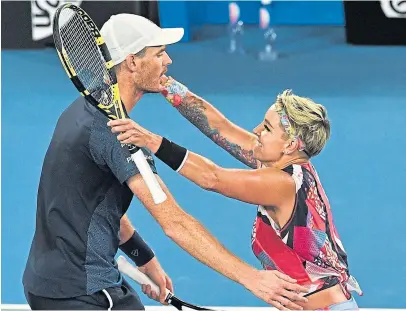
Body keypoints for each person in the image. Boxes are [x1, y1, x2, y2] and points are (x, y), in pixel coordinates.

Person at [22, 14, 308, 311]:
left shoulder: (80, 111)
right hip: (80, 292)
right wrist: (251, 278)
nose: (168, 60)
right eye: (159, 54)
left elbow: (96, 207)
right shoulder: (123, 139)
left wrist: (145, 259)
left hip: (52, 279)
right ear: (132, 62)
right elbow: (175, 223)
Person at [108, 77, 363, 310]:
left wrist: (152, 141)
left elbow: (212, 178)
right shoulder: (280, 162)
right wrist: (164, 83)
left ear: (290, 145)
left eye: (267, 128)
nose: (256, 130)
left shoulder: (282, 183)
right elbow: (220, 128)